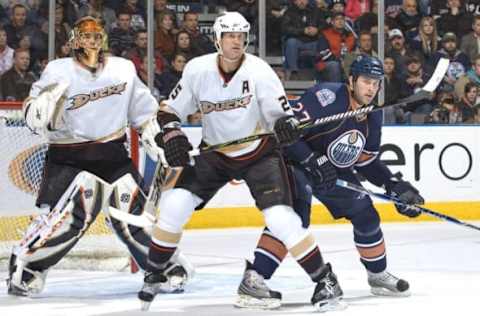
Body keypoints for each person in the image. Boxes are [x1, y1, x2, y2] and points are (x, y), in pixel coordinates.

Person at [138, 11, 345, 312]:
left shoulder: (260, 72)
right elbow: (169, 111)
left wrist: (284, 126)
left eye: (241, 36)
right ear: (217, 39)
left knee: (281, 219)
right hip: (214, 154)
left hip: (260, 154)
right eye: (230, 36)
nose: (236, 41)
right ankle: (154, 273)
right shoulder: (197, 70)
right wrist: (172, 135)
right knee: (174, 205)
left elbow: (280, 117)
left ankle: (325, 279)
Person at [6, 16, 191, 297]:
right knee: (64, 220)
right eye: (85, 35)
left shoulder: (123, 69)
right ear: (74, 40)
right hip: (68, 156)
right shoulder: (58, 71)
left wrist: (157, 136)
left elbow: (144, 113)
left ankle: (163, 267)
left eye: (96, 35)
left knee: (132, 217)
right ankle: (26, 266)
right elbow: (33, 114)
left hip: (111, 153)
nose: (92, 41)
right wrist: (38, 110)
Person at [243, 55, 425, 308]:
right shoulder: (325, 96)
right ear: (352, 81)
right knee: (294, 218)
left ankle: (377, 275)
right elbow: (287, 134)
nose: (371, 88)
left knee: (366, 214)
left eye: (376, 83)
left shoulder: (373, 115)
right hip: (293, 161)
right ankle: (254, 279)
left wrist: (393, 184)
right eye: (366, 82)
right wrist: (310, 159)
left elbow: (365, 161)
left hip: (329, 169)